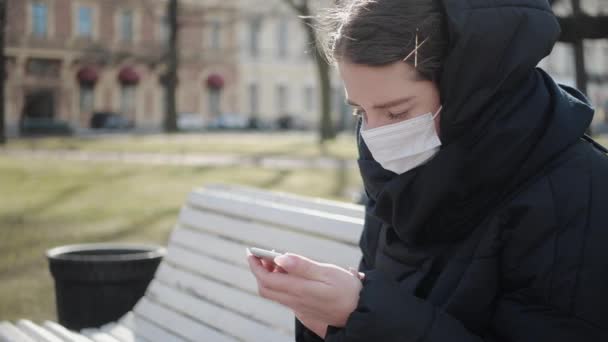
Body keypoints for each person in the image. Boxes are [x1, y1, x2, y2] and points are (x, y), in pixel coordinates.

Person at [246, 0, 608, 340]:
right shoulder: (398, 175)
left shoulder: (578, 191)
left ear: (472, 89)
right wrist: (327, 316)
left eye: (397, 113)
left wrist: (363, 314)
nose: (375, 136)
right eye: (360, 112)